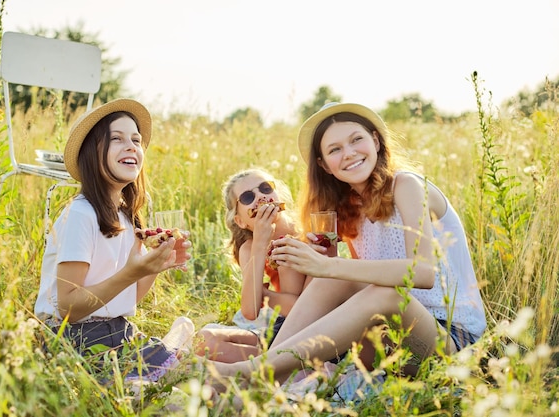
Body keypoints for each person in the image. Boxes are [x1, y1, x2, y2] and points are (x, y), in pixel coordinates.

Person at [209, 102, 487, 385]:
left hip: (450, 344)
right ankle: (269, 379)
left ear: (375, 141)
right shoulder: (348, 208)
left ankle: (253, 373)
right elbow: (341, 287)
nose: (350, 153)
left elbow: (424, 273)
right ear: (324, 165)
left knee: (381, 292)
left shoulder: (407, 186)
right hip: (389, 344)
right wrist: (323, 263)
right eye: (334, 149)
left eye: (357, 140)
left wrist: (329, 265)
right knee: (336, 280)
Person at [34, 98, 192, 382]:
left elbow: (127, 297)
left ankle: (165, 355)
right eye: (117, 139)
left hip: (118, 331)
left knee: (191, 363)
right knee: (171, 385)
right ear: (93, 154)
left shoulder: (127, 216)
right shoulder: (81, 214)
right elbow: (68, 307)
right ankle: (164, 357)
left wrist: (154, 266)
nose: (131, 146)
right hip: (73, 340)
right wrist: (133, 271)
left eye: (136, 140)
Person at [195, 168, 310, 362]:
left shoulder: (305, 229)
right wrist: (260, 243)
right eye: (248, 197)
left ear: (278, 195)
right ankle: (282, 362)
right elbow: (250, 310)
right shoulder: (250, 248)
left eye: (266, 188)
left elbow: (298, 308)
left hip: (316, 323)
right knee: (203, 341)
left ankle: (283, 363)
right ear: (240, 221)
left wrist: (264, 294)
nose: (260, 197)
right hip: (283, 326)